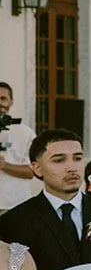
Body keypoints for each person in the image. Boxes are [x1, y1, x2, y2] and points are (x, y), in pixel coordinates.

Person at [0, 131, 91, 270]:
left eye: (77, 158)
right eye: (59, 160)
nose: (72, 168)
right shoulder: (14, 222)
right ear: (37, 168)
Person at [0, 84, 39, 213]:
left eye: (3, 98)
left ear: (11, 101)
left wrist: (5, 165)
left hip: (15, 205)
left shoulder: (25, 133)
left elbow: (32, 172)